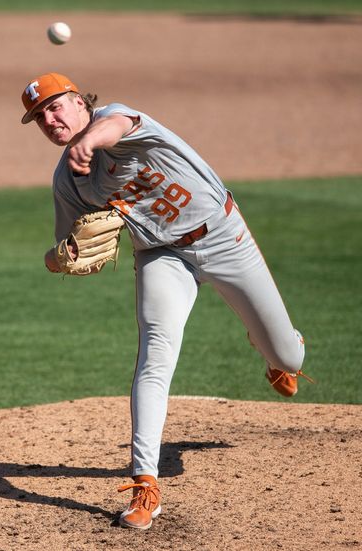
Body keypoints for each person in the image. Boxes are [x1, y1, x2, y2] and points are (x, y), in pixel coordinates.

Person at [20, 72, 310, 530]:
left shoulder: (116, 119)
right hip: (161, 256)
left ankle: (272, 351)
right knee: (155, 355)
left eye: (56, 107)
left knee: (289, 354)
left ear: (80, 102)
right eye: (39, 117)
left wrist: (89, 143)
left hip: (223, 236)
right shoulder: (68, 181)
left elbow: (112, 128)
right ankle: (145, 485)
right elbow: (66, 249)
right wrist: (58, 259)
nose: (50, 120)